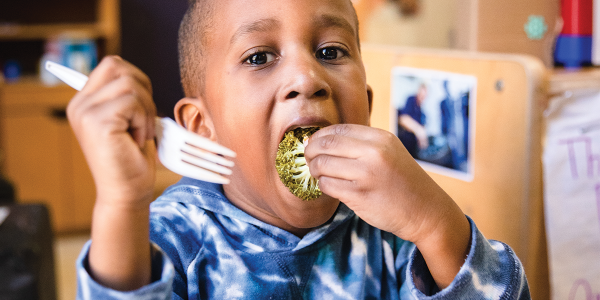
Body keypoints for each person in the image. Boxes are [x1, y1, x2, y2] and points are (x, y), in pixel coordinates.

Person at [70, 0, 530, 298]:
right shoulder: (173, 237)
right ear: (201, 126)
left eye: (330, 51)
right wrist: (123, 202)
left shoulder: (394, 231)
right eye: (259, 57)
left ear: (366, 108)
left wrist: (434, 222)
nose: (307, 79)